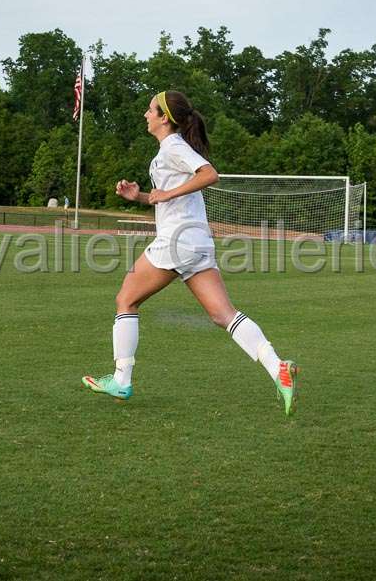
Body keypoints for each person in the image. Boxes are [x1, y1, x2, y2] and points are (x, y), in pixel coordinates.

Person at [82, 91, 300, 416]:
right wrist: (140, 196)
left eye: (150, 109)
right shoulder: (170, 149)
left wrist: (166, 192)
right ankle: (277, 367)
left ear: (164, 118)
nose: (145, 114)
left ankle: (121, 379)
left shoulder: (173, 146)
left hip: (177, 241)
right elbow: (169, 199)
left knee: (126, 300)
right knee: (223, 315)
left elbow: (210, 174)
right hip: (196, 241)